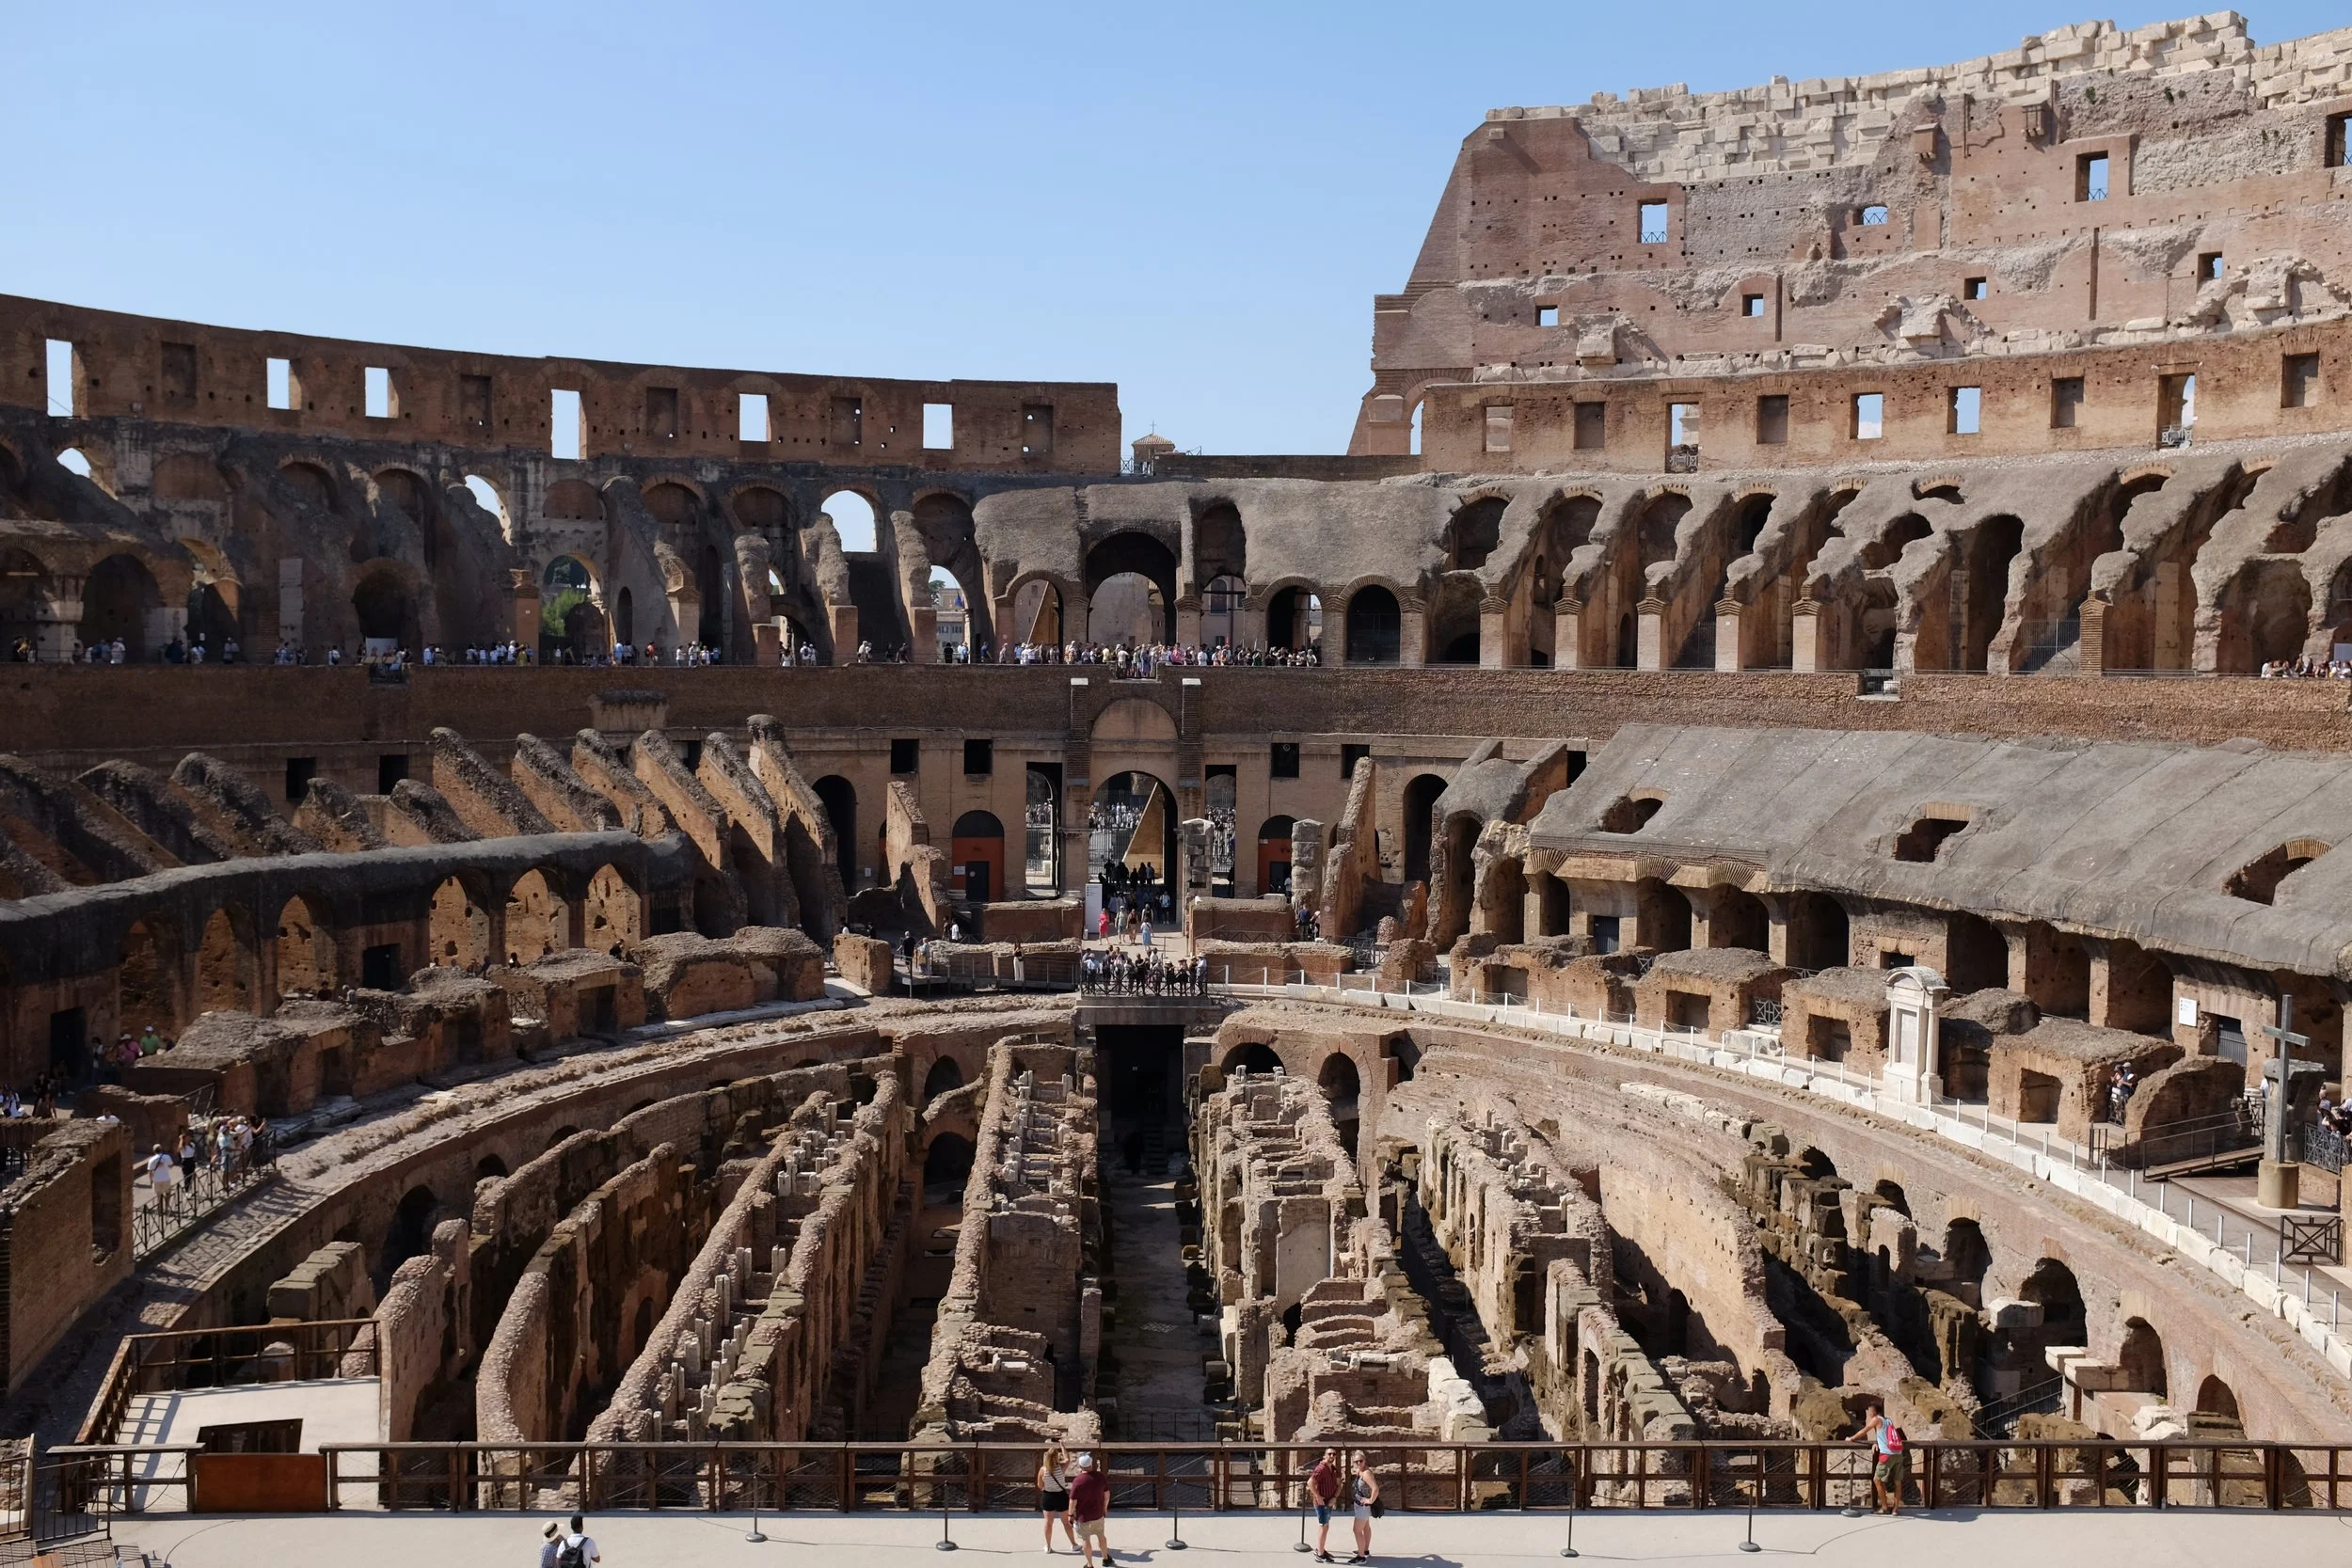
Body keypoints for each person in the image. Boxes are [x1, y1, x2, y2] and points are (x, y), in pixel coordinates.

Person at [1864, 1400, 1908, 1515]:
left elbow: (1864, 1430)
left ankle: (1884, 1507)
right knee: (1897, 1482)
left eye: (1869, 1411)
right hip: (1898, 1454)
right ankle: (1895, 1509)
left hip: (1887, 1455)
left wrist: (1851, 1438)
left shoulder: (1876, 1419)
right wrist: (1876, 1442)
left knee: (1877, 1480)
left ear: (1873, 1412)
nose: (1868, 1413)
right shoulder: (1888, 1420)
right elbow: (1885, 1435)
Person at [1068, 1452, 1111, 1566]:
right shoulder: (1100, 1477)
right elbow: (1107, 1494)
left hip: (1083, 1516)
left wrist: (1070, 1515)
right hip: (1098, 1514)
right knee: (1101, 1536)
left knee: (1086, 1540)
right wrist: (1104, 1508)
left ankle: (1090, 1564)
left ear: (1080, 1466)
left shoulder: (1078, 1481)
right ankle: (1106, 1558)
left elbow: (1072, 1501)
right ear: (1091, 1464)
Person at [1038, 1445, 1077, 1552]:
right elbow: (1067, 1458)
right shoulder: (1061, 1467)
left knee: (1048, 1523)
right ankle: (1074, 1544)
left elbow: (1040, 1486)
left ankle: (1048, 1546)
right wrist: (1062, 1446)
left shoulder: (1043, 1470)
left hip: (1048, 1497)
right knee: (1066, 1523)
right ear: (1056, 1457)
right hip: (1061, 1496)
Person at [1308, 1447, 1343, 1561]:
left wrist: (1334, 1498)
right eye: (1329, 1454)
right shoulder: (1321, 1468)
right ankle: (1320, 1555)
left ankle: (1320, 1549)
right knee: (1324, 1526)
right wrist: (1318, 1496)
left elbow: (1339, 1484)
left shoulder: (1333, 1469)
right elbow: (1310, 1482)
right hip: (1321, 1503)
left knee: (1325, 1526)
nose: (1332, 1456)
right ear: (1324, 1455)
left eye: (1334, 1454)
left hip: (1329, 1501)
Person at [1346, 1450, 1379, 1563]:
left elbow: (1375, 1489)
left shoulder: (1366, 1474)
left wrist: (1370, 1501)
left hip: (1363, 1507)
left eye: (1361, 1461)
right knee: (1366, 1527)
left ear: (1365, 1460)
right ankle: (1364, 1550)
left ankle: (1361, 1557)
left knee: (1357, 1530)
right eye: (1356, 1461)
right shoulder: (1359, 1471)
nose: (1359, 1463)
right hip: (1360, 1505)